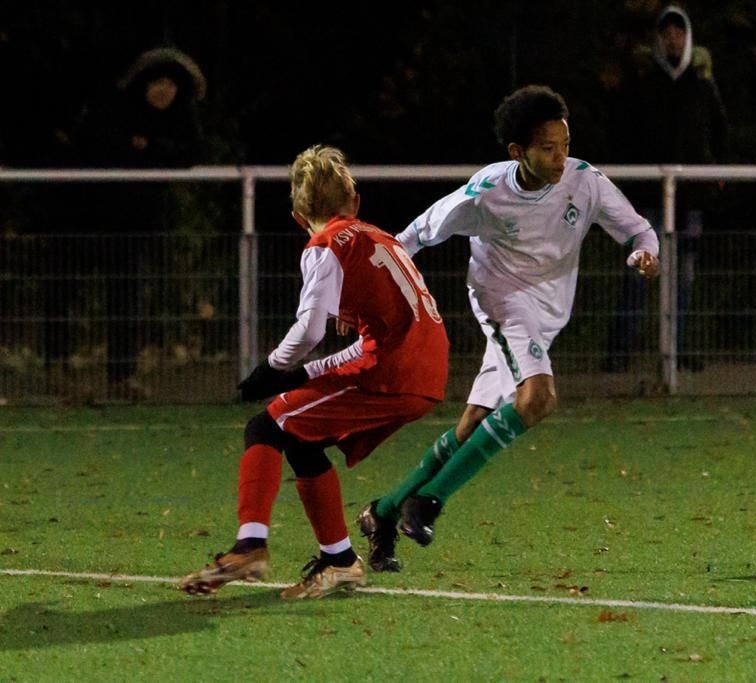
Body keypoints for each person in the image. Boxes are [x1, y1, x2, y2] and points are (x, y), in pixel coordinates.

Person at [354, 85, 660, 572]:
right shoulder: (487, 193)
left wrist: (645, 253)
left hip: (549, 311)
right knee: (537, 398)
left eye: (565, 144)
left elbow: (639, 230)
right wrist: (367, 295)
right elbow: (413, 236)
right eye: (548, 148)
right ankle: (428, 501)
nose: (560, 157)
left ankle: (384, 512)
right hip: (502, 298)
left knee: (473, 425)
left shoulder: (585, 180)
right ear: (518, 152)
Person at [180, 144, 449, 598]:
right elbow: (375, 338)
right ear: (355, 201)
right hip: (423, 367)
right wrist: (304, 375)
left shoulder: (326, 245)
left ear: (299, 217)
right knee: (301, 440)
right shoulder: (380, 238)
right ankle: (339, 560)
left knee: (265, 426)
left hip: (392, 372)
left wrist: (273, 367)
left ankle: (250, 545)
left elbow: (309, 329)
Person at [71, 46, 206, 399]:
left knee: (126, 295)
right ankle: (60, 368)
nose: (164, 90)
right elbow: (97, 145)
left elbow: (192, 151)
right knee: (68, 285)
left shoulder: (181, 116)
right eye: (157, 83)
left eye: (170, 85)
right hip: (92, 215)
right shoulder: (115, 110)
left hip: (138, 223)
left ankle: (121, 375)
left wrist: (151, 147)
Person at [603, 4, 727, 372]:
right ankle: (620, 350)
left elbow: (719, 131)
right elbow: (623, 134)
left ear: (688, 38)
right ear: (659, 40)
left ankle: (674, 351)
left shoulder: (702, 86)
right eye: (667, 34)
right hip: (647, 198)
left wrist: (715, 173)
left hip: (691, 198)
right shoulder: (642, 85)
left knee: (683, 277)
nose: (673, 40)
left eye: (679, 34)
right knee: (638, 274)